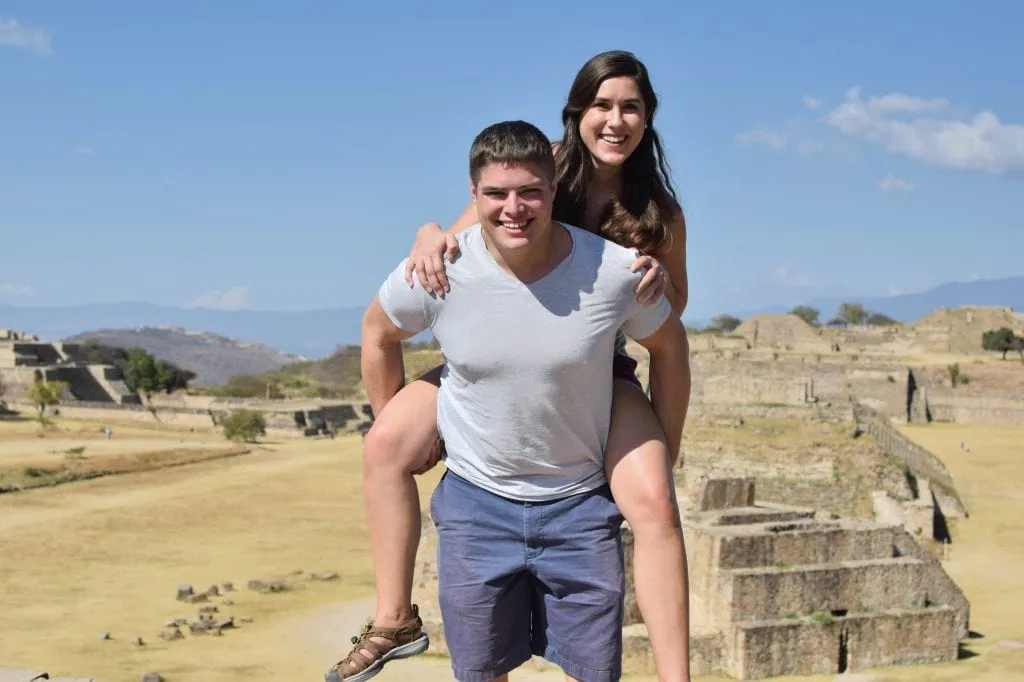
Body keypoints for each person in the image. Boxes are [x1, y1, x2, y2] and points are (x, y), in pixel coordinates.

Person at [332, 51, 693, 681]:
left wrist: (658, 277)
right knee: (385, 445)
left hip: (597, 363)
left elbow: (674, 315)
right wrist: (425, 232)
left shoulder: (658, 211)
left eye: (630, 107)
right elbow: (460, 235)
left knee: (656, 502)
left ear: (647, 117)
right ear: (576, 114)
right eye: (601, 106)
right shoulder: (540, 165)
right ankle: (393, 618)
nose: (615, 121)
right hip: (491, 357)